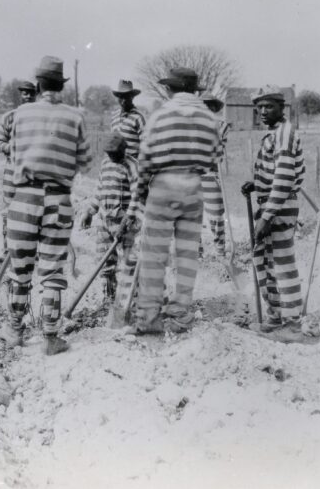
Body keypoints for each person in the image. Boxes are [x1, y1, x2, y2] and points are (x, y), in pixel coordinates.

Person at [120, 67, 219, 334]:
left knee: (154, 255)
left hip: (163, 186)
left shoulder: (160, 116)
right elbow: (213, 159)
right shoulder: (210, 119)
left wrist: (140, 194)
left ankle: (149, 317)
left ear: (170, 88)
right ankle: (179, 315)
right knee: (187, 255)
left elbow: (145, 160)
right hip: (194, 187)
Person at [3, 57, 91, 355]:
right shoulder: (75, 116)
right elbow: (85, 161)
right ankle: (51, 337)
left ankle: (16, 331)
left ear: (39, 85)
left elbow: (13, 156)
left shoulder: (20, 114)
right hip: (58, 199)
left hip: (24, 197)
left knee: (20, 269)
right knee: (53, 270)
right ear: (61, 86)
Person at [241, 85, 305, 332]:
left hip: (279, 206)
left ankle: (292, 323)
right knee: (266, 262)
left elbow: (284, 177)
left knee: (282, 264)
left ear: (282, 108)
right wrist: (256, 184)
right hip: (271, 203)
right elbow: (273, 173)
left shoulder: (285, 134)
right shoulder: (274, 134)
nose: (263, 112)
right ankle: (275, 317)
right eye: (259, 108)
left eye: (269, 106)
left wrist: (267, 216)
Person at [80, 134, 137, 300]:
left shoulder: (132, 166)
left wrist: (126, 221)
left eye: (115, 153)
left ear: (123, 151)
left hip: (125, 222)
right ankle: (109, 300)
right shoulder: (105, 164)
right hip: (104, 222)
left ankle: (132, 300)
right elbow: (99, 191)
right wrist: (89, 212)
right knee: (105, 263)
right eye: (109, 153)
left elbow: (138, 196)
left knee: (129, 263)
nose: (112, 156)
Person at [0, 80, 37, 254]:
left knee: (31, 211)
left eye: (30, 93)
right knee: (9, 209)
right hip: (12, 170)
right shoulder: (9, 117)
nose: (27, 96)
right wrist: (13, 148)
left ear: (36, 96)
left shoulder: (41, 119)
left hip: (32, 171)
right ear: (20, 95)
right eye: (24, 93)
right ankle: (8, 249)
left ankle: (29, 251)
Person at [200, 94, 231, 256]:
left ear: (214, 108)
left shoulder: (222, 125)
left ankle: (220, 252)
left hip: (210, 173)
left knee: (216, 215)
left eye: (209, 106)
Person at [110, 80, 146, 162]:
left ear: (132, 97)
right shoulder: (114, 116)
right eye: (121, 96)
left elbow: (145, 146)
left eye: (126, 96)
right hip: (117, 165)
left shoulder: (138, 117)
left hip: (133, 165)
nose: (123, 100)